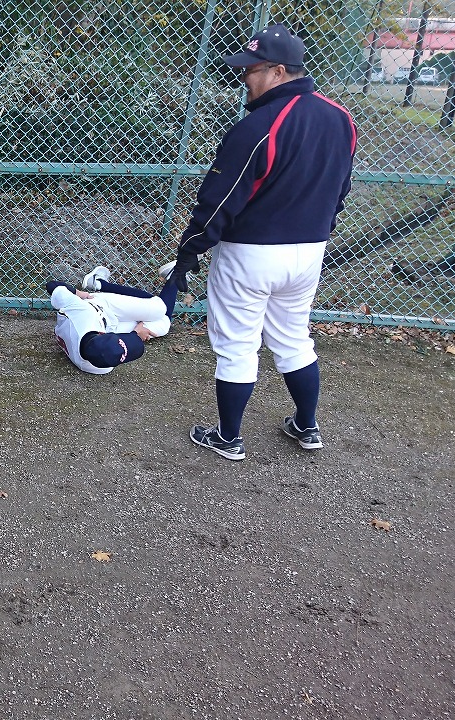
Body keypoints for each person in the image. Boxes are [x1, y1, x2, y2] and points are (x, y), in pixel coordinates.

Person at [166, 24, 357, 461]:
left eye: (251, 70)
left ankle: (228, 438)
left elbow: (218, 201)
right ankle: (306, 426)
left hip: (250, 253)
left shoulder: (257, 126)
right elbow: (340, 189)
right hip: (309, 251)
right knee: (293, 339)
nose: (244, 79)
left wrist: (189, 252)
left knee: (237, 345)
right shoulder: (340, 118)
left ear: (277, 71)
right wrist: (321, 228)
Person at [47, 261, 177, 374]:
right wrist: (135, 335)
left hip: (103, 307)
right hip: (108, 328)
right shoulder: (101, 368)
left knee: (160, 308)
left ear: (101, 334)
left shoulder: (79, 311)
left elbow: (52, 286)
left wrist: (80, 294)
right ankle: (175, 276)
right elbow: (112, 350)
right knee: (163, 325)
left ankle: (99, 283)